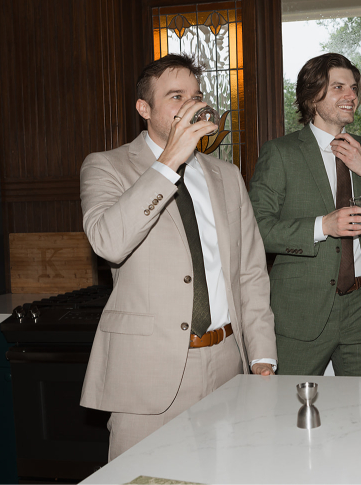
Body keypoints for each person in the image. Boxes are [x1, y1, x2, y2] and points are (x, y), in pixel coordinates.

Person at [79, 54, 277, 460]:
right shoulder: (106, 167)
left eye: (197, 96)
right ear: (144, 108)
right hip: (148, 373)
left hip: (228, 365)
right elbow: (108, 242)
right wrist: (169, 160)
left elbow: (251, 273)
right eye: (176, 97)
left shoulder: (227, 176)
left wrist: (261, 355)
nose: (192, 106)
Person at [249, 53, 361, 376]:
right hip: (301, 310)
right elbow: (257, 230)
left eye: (354, 88)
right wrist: (323, 226)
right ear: (313, 97)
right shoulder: (281, 154)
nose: (351, 96)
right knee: (285, 414)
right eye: (339, 87)